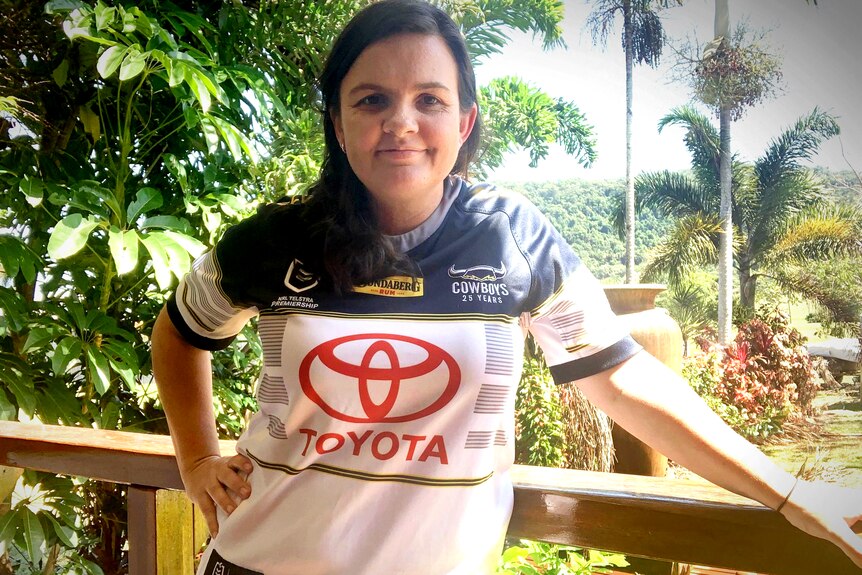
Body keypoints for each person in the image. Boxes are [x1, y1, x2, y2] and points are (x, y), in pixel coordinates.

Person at [151, 1, 862, 573]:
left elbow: (624, 382)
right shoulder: (274, 241)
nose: (401, 122)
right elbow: (179, 333)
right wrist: (196, 457)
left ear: (463, 123)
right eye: (371, 99)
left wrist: (792, 492)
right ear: (337, 122)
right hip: (259, 561)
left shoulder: (510, 238)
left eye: (428, 99)